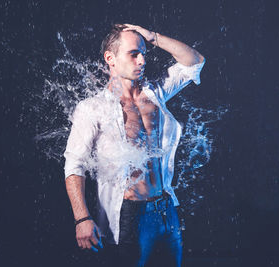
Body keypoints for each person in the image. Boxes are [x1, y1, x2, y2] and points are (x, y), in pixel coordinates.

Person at [64, 23, 205, 266]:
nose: (142, 60)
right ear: (110, 58)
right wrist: (81, 218)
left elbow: (195, 62)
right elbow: (74, 165)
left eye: (143, 54)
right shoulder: (93, 109)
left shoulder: (155, 94)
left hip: (166, 209)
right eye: (133, 54)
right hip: (130, 213)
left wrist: (153, 37)